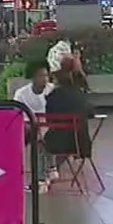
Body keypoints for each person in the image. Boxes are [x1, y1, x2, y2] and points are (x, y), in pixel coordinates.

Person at [13, 62, 56, 192]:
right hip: (27, 127)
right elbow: (16, 114)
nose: (44, 79)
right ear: (32, 77)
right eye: (40, 75)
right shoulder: (21, 94)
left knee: (41, 139)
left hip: (49, 128)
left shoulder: (53, 91)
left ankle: (41, 178)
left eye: (46, 75)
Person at [42, 64, 93, 171]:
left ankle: (49, 170)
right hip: (80, 143)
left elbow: (49, 120)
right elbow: (90, 113)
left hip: (56, 142)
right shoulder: (79, 94)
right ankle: (54, 169)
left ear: (57, 81)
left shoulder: (52, 97)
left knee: (40, 142)